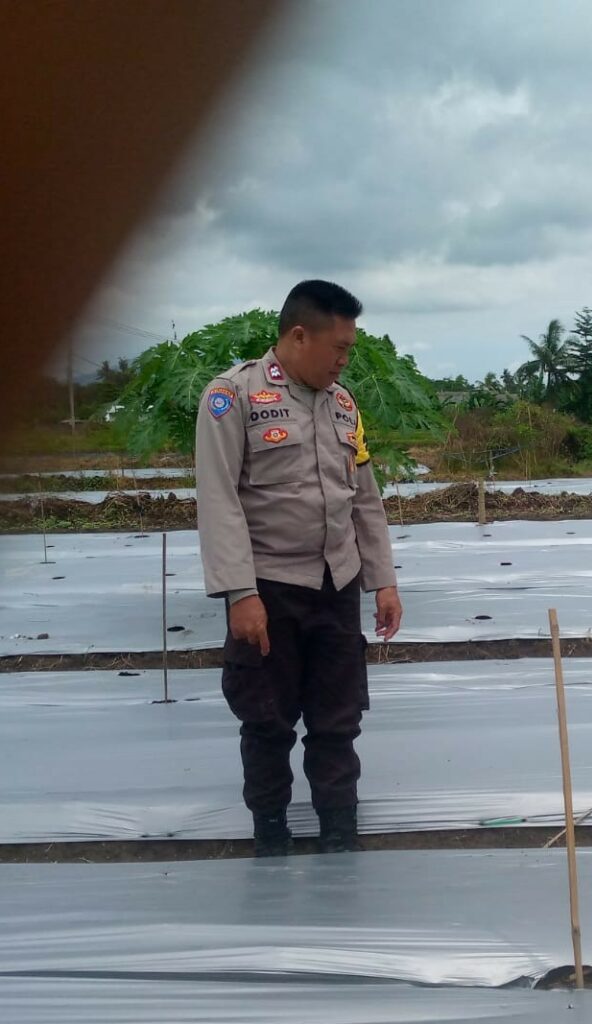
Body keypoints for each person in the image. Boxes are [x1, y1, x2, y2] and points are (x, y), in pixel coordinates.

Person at [196, 279, 402, 857]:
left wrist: (383, 581)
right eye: (339, 348)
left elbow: (365, 498)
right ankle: (271, 830)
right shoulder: (232, 397)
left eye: (349, 350)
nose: (344, 360)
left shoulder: (343, 405)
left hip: (337, 584)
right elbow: (218, 499)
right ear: (299, 335)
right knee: (267, 720)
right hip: (269, 588)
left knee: (339, 717)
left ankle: (339, 827)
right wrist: (239, 593)